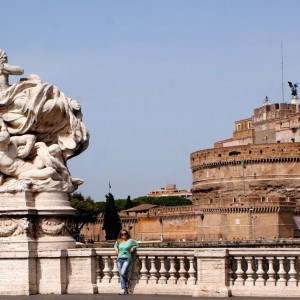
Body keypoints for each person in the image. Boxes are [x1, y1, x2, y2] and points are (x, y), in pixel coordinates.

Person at [114, 229, 139, 295]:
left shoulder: (130, 241)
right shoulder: (118, 241)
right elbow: (115, 246)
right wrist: (116, 249)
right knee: (121, 274)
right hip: (119, 259)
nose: (123, 235)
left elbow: (137, 245)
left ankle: (126, 282)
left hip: (127, 258)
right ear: (120, 235)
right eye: (122, 234)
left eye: (125, 234)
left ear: (127, 234)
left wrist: (133, 247)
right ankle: (123, 289)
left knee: (122, 273)